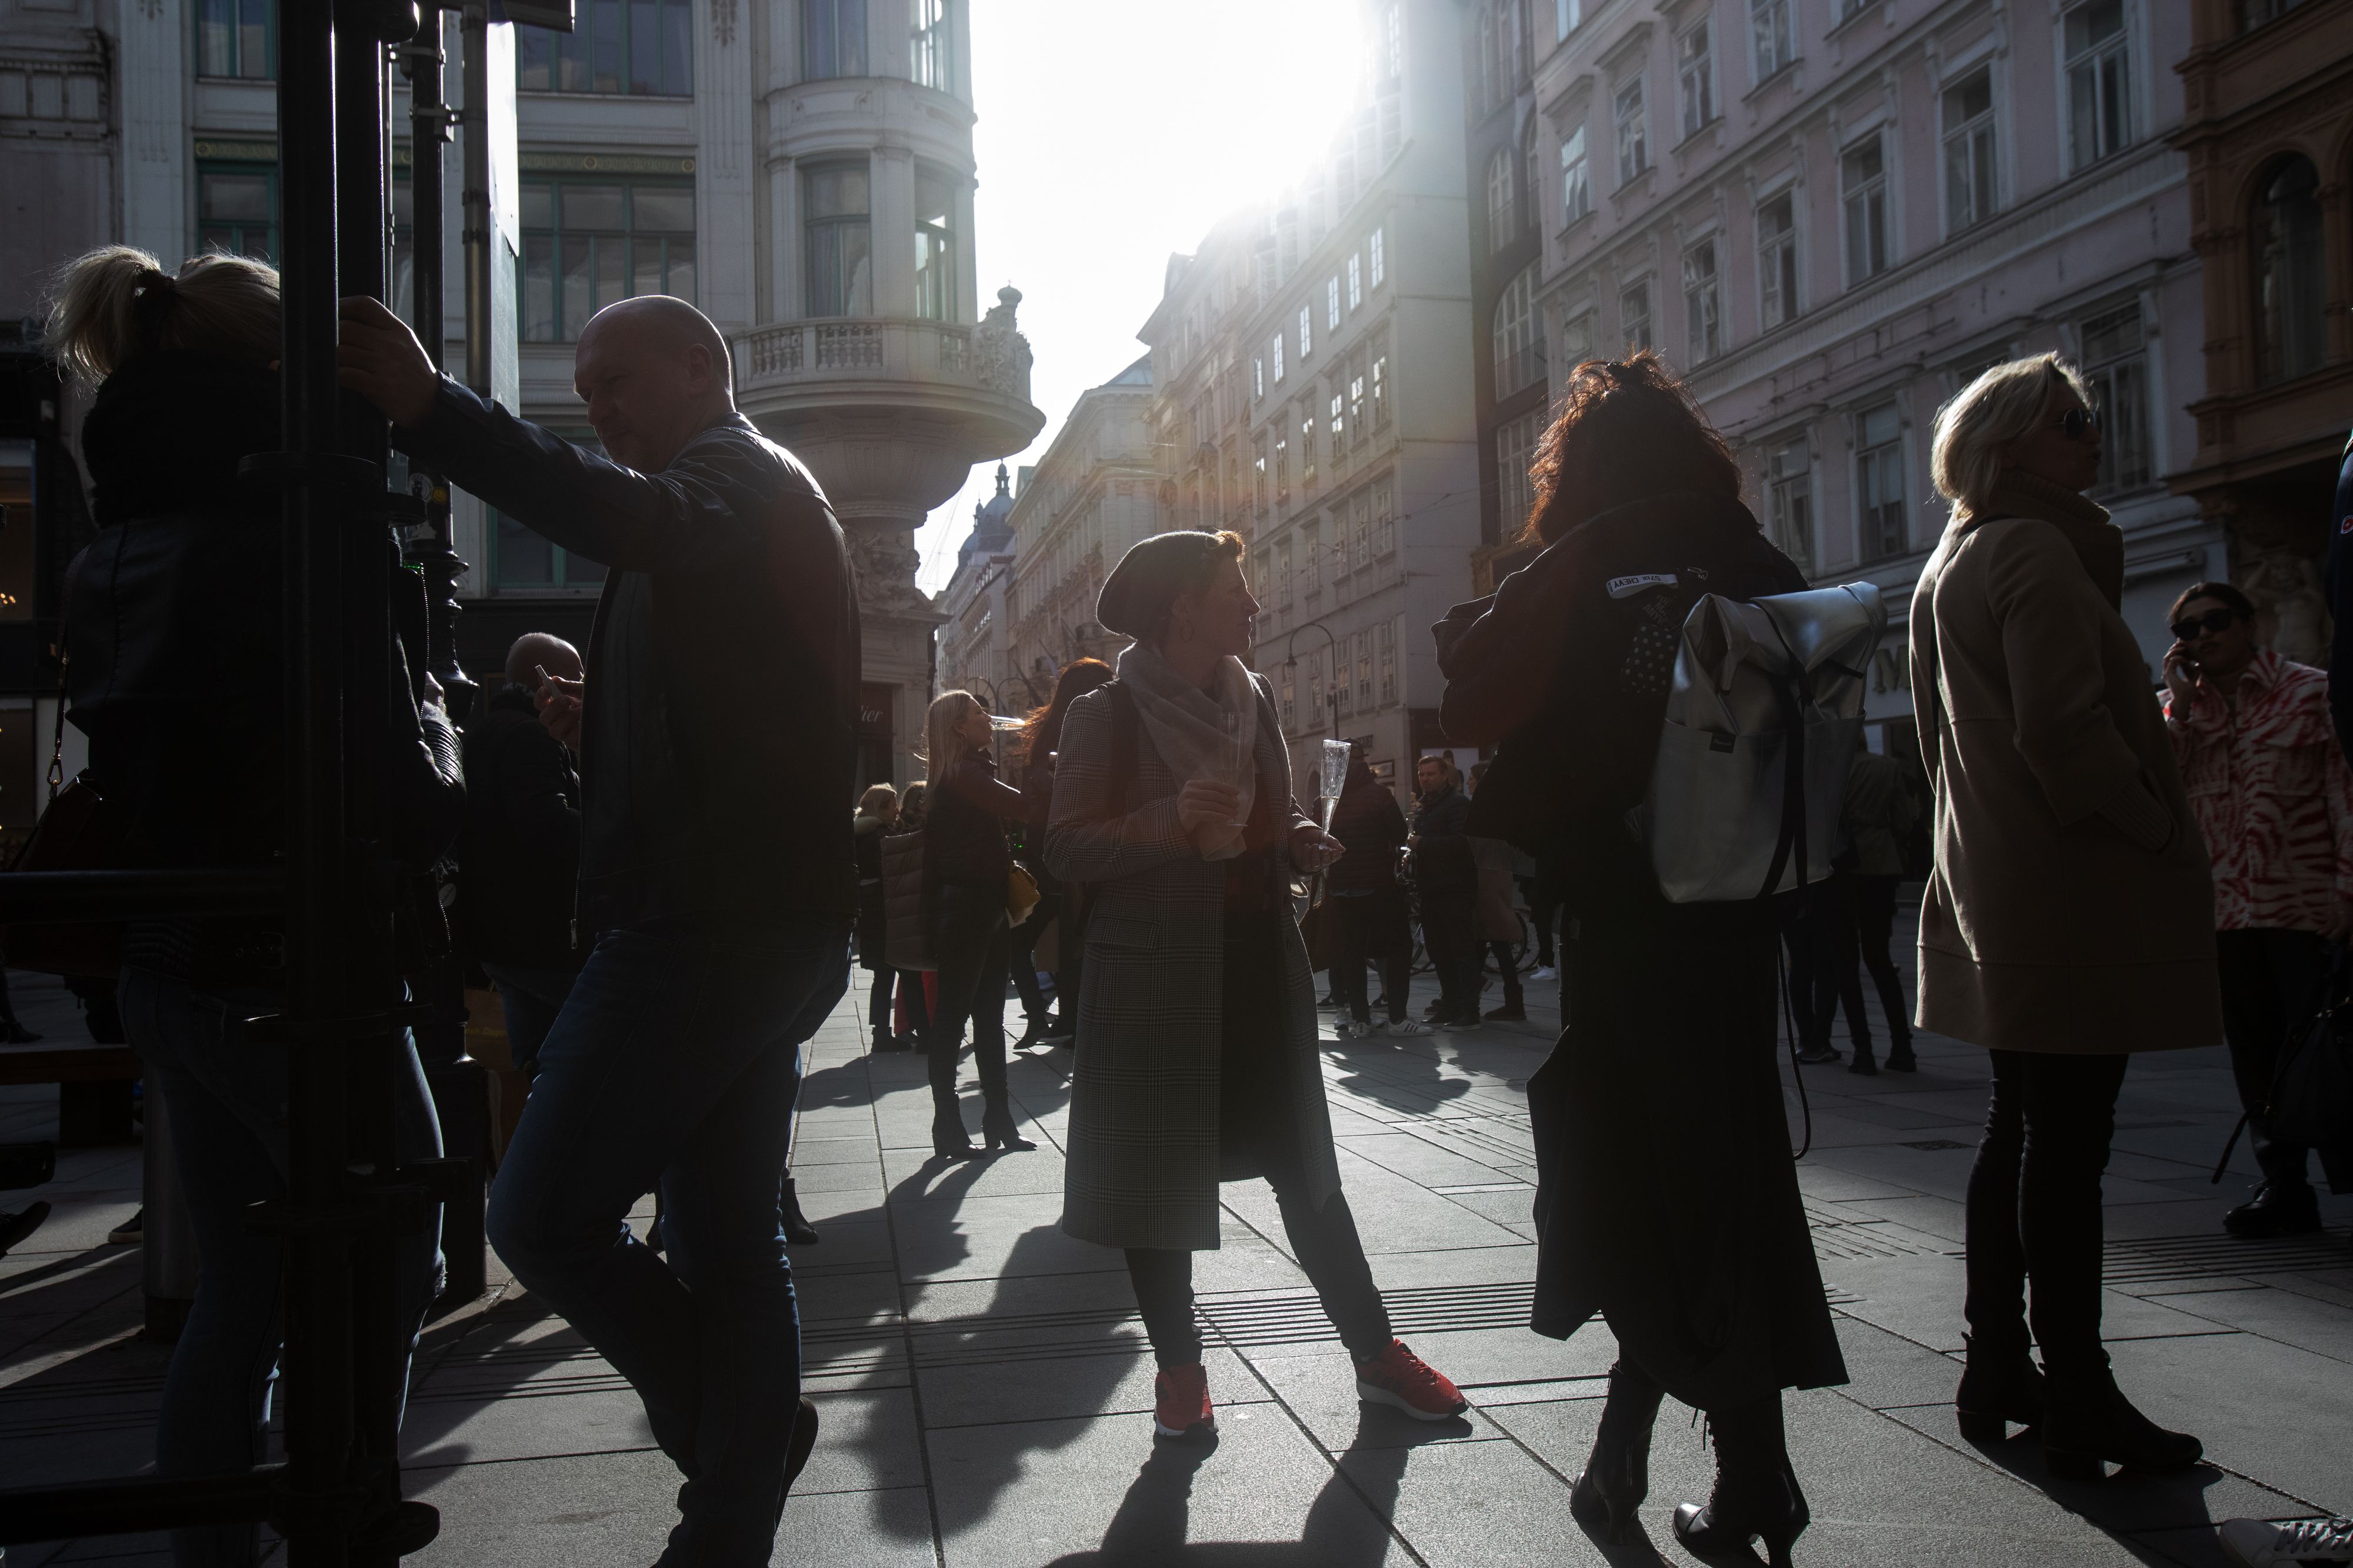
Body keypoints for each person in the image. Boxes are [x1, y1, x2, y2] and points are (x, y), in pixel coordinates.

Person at [340, 288, 856, 1564]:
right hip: (738, 921)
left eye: (614, 380)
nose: (596, 405)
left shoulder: (734, 478)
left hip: (706, 930)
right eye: (584, 387)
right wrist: (605, 734)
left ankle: (734, 1439)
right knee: (732, 1244)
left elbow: (625, 514)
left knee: (540, 1216)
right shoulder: (722, 506)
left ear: (700, 364)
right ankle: (728, 1513)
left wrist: (436, 413)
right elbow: (740, 712)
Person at [52, 246, 464, 1567]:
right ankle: (342, 1513)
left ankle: (215, 1549)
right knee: (397, 1228)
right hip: (296, 963)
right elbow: (400, 773)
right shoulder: (304, 519)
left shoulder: (113, 533)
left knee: (240, 1282)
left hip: (169, 952)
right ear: (282, 375)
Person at [1438, 353, 1845, 1566]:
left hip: (1624, 924)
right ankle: (1717, 1471)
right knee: (1721, 1175)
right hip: (1738, 922)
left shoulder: (1581, 563)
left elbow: (1477, 705)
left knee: (1628, 1182)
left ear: (1582, 466)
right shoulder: (1753, 560)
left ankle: (1693, 1466)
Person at [1044, 529, 1467, 1443]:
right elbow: (1066, 845)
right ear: (1181, 607)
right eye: (1236, 587)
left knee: (1308, 1173)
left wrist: (1299, 835)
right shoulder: (1107, 714)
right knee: (1156, 1190)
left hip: (1258, 977)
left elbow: (1266, 814)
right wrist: (1166, 820)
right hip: (1154, 986)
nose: (1255, 603)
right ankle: (1179, 1375)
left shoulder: (1257, 697)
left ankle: (1377, 1356)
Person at [1911, 353, 2212, 1480]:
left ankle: (1999, 1364)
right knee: (2067, 1147)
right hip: (2071, 888)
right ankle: (2077, 1388)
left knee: (2019, 1131)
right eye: (2068, 421)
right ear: (2011, 442)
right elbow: (2066, 737)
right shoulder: (2035, 549)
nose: (2093, 434)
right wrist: (2159, 830)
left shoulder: (1954, 555)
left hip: (2004, 885)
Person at [2161, 579, 2353, 1239]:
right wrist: (2181, 709)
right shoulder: (2179, 712)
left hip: (2301, 905)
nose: (2202, 636)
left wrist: (2346, 890)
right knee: (2257, 1055)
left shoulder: (2309, 691)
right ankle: (2285, 1184)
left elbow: (2343, 794)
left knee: (2329, 1049)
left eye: (2214, 621)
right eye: (2187, 630)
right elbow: (2163, 798)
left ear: (2249, 624)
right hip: (2226, 912)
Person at [918, 690, 1036, 1159]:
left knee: (989, 1016)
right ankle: (948, 1123)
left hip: (985, 904)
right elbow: (1025, 807)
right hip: (966, 907)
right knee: (954, 1017)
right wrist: (1052, 763)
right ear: (958, 728)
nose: (989, 719)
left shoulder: (970, 771)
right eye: (978, 713)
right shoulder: (964, 774)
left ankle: (998, 1118)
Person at [462, 632, 586, 1079]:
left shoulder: (483, 733)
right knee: (590, 1055)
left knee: (537, 1065)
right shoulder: (533, 737)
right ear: (549, 684)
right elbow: (548, 825)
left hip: (499, 940)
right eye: (576, 680)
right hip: (543, 939)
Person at [1014, 658, 1116, 1048]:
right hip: (1075, 858)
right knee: (1074, 942)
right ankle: (1066, 1018)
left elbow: (1024, 816)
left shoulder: (1044, 742)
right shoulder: (1092, 731)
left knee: (1055, 944)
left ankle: (1055, 1018)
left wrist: (1022, 854)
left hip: (1047, 859)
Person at [1324, 749, 1427, 1040]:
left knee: (1352, 955)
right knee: (1398, 948)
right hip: (1378, 886)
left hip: (1342, 888)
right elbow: (1398, 834)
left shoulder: (1328, 802)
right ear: (1366, 770)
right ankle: (1397, 1017)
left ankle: (1360, 1020)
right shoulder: (1380, 796)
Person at [1842, 742, 1922, 1072]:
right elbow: (1904, 819)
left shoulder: (1836, 768)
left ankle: (1863, 1051)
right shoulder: (1887, 766)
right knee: (1880, 958)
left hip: (1843, 866)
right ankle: (1902, 1045)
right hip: (1880, 863)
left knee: (1845, 961)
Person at [1409, 755, 1482, 1029]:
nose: (1425, 779)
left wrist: (1423, 845)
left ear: (1444, 776)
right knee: (1439, 952)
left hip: (1454, 890)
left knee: (1461, 950)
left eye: (1430, 774)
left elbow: (1462, 843)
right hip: (1430, 890)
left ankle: (1469, 1010)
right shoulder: (1424, 807)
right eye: (1421, 774)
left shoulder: (1457, 804)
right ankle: (1450, 1006)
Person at [1465, 761, 1527, 1023]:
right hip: (1492, 874)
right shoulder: (1496, 807)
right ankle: (1474, 992)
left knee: (1495, 940)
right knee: (1485, 939)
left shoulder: (1486, 808)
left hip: (1489, 875)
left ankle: (1510, 1003)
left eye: (1471, 778)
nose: (1468, 782)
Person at [854, 783, 902, 1053]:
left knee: (882, 976)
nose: (897, 810)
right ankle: (883, 1034)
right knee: (889, 975)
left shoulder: (861, 834)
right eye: (893, 804)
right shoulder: (880, 837)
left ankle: (880, 1032)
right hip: (884, 914)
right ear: (880, 807)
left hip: (871, 916)